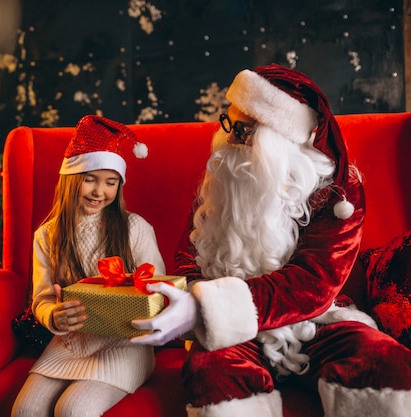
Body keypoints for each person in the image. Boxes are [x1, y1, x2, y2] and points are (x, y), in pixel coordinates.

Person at [130, 64, 411, 416]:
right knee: (210, 373)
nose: (229, 139)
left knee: (385, 364)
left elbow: (313, 283)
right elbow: (189, 257)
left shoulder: (337, 193)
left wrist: (205, 307)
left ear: (282, 138)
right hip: (231, 330)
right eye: (228, 123)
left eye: (245, 130)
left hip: (316, 320)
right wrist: (193, 299)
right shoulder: (223, 176)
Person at [11, 114, 166, 417]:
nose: (99, 192)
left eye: (110, 183)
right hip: (70, 344)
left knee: (73, 410)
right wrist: (53, 316)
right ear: (71, 179)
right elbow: (41, 298)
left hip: (126, 345)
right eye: (90, 180)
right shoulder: (47, 235)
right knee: (26, 410)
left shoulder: (136, 228)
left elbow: (159, 288)